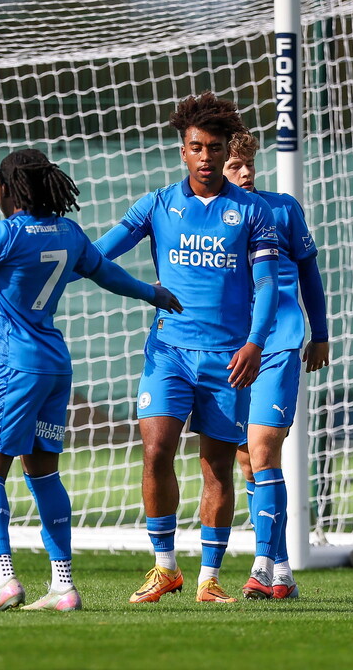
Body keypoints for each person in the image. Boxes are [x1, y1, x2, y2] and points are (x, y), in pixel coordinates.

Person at [0, 149, 182, 612]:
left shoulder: (4, 235)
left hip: (13, 369)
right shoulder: (69, 232)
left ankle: (6, 580)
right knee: (43, 472)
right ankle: (63, 586)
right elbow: (106, 273)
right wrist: (152, 293)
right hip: (55, 366)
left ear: (4, 192)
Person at [90, 92, 280, 604]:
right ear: (182, 150)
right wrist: (141, 290)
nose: (205, 156)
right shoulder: (156, 204)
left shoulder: (253, 212)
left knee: (217, 465)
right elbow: (97, 256)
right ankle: (164, 567)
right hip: (168, 352)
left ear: (224, 151)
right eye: (196, 146)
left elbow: (268, 286)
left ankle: (209, 578)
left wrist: (255, 343)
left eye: (214, 148)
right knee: (155, 451)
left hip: (227, 358)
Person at [222, 131, 329, 600]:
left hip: (279, 343)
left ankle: (262, 565)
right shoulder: (202, 217)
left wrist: (321, 333)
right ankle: (283, 568)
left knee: (262, 450)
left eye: (248, 163)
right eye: (234, 166)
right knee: (248, 460)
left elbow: (308, 269)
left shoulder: (282, 208)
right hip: (226, 348)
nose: (245, 172)